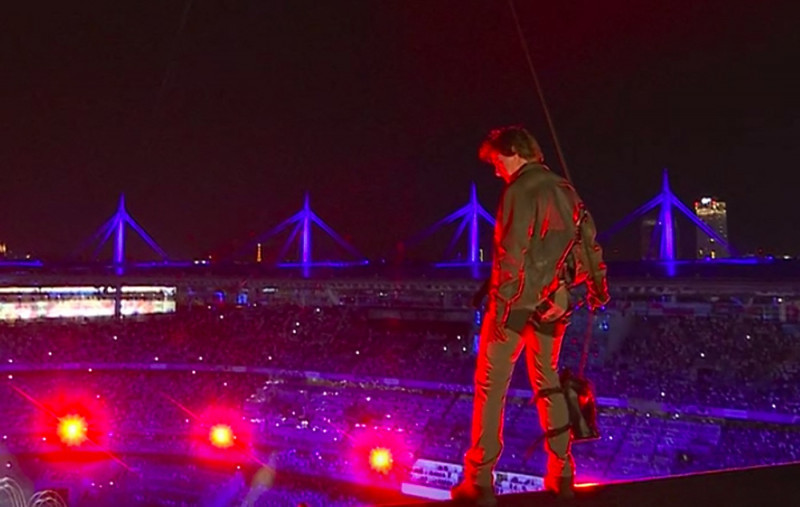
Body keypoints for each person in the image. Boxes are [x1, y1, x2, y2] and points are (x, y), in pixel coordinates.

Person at [451, 126, 609, 506]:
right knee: (548, 384)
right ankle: (562, 473)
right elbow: (589, 246)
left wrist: (505, 308)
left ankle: (480, 481)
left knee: (491, 390)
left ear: (513, 153)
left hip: (516, 308)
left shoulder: (519, 191)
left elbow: (510, 255)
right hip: (554, 308)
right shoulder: (567, 190)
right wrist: (586, 292)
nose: (496, 171)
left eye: (497, 161)